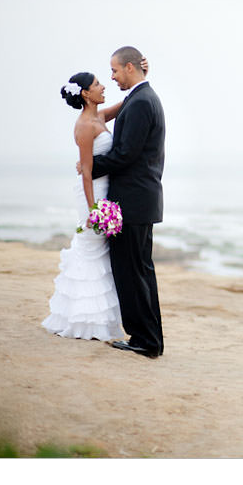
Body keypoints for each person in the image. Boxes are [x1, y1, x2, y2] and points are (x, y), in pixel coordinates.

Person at [89, 46, 166, 359]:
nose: (112, 76)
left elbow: (125, 155)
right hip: (141, 201)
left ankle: (144, 340)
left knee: (131, 273)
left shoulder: (140, 103)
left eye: (116, 70)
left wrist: (89, 167)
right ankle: (150, 339)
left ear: (131, 68)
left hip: (132, 203)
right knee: (140, 272)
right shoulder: (142, 98)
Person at [42, 71, 128, 340]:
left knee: (97, 253)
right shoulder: (84, 126)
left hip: (104, 190)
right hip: (92, 193)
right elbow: (87, 172)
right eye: (97, 85)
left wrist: (143, 73)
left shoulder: (99, 117)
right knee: (90, 248)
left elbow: (129, 101)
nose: (103, 87)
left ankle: (94, 319)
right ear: (85, 94)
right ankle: (82, 320)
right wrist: (94, 211)